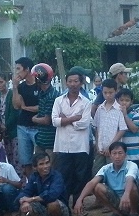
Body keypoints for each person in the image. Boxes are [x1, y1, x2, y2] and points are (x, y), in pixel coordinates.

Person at [52, 66, 93, 208]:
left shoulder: (86, 102)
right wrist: (74, 118)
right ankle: (63, 205)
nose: (73, 84)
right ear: (66, 82)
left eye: (76, 81)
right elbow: (54, 121)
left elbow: (85, 123)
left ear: (81, 83)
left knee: (80, 177)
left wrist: (65, 119)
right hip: (63, 145)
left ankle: (78, 204)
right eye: (70, 81)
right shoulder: (58, 101)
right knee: (63, 176)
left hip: (80, 145)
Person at [74, 141, 139, 216]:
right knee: (96, 187)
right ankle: (116, 212)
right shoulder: (106, 168)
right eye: (114, 153)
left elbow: (130, 178)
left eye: (120, 153)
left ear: (125, 154)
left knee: (132, 186)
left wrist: (126, 194)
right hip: (117, 199)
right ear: (110, 155)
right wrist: (80, 199)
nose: (117, 156)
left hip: (134, 200)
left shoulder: (131, 165)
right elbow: (92, 182)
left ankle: (133, 213)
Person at [18, 151, 70, 216]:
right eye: (41, 164)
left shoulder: (57, 176)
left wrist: (32, 199)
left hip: (61, 213)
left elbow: (52, 195)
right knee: (24, 207)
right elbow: (25, 192)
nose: (46, 166)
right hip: (44, 210)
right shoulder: (34, 177)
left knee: (52, 204)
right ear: (35, 167)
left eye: (47, 163)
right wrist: (24, 201)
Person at [12, 56, 40, 179]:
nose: (17, 72)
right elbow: (16, 105)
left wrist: (26, 107)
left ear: (27, 69)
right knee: (25, 160)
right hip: (23, 126)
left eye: (19, 69)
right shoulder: (21, 86)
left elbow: (41, 107)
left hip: (38, 126)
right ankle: (31, 184)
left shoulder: (39, 85)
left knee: (40, 159)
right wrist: (15, 87)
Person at [92, 78, 128, 174]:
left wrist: (111, 146)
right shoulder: (100, 108)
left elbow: (122, 129)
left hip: (114, 150)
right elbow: (97, 128)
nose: (108, 95)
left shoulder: (119, 109)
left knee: (113, 173)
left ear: (116, 91)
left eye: (110, 92)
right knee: (97, 172)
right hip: (100, 149)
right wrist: (97, 144)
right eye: (105, 93)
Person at [31, 63, 59, 158]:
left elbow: (47, 120)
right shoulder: (43, 93)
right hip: (41, 140)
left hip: (49, 142)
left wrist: (34, 119)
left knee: (50, 165)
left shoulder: (51, 96)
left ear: (38, 79)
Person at [115, 88, 139, 170]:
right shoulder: (115, 114)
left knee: (136, 173)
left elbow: (134, 129)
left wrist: (125, 115)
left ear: (131, 101)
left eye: (127, 100)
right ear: (117, 101)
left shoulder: (135, 114)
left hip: (135, 153)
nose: (124, 102)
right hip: (121, 154)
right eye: (121, 100)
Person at [0, 73, 18, 164]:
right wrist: (0, 125)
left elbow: (14, 112)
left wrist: (6, 125)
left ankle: (18, 173)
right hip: (3, 131)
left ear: (7, 81)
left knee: (17, 156)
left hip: (13, 129)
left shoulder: (12, 94)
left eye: (1, 82)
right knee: (9, 155)